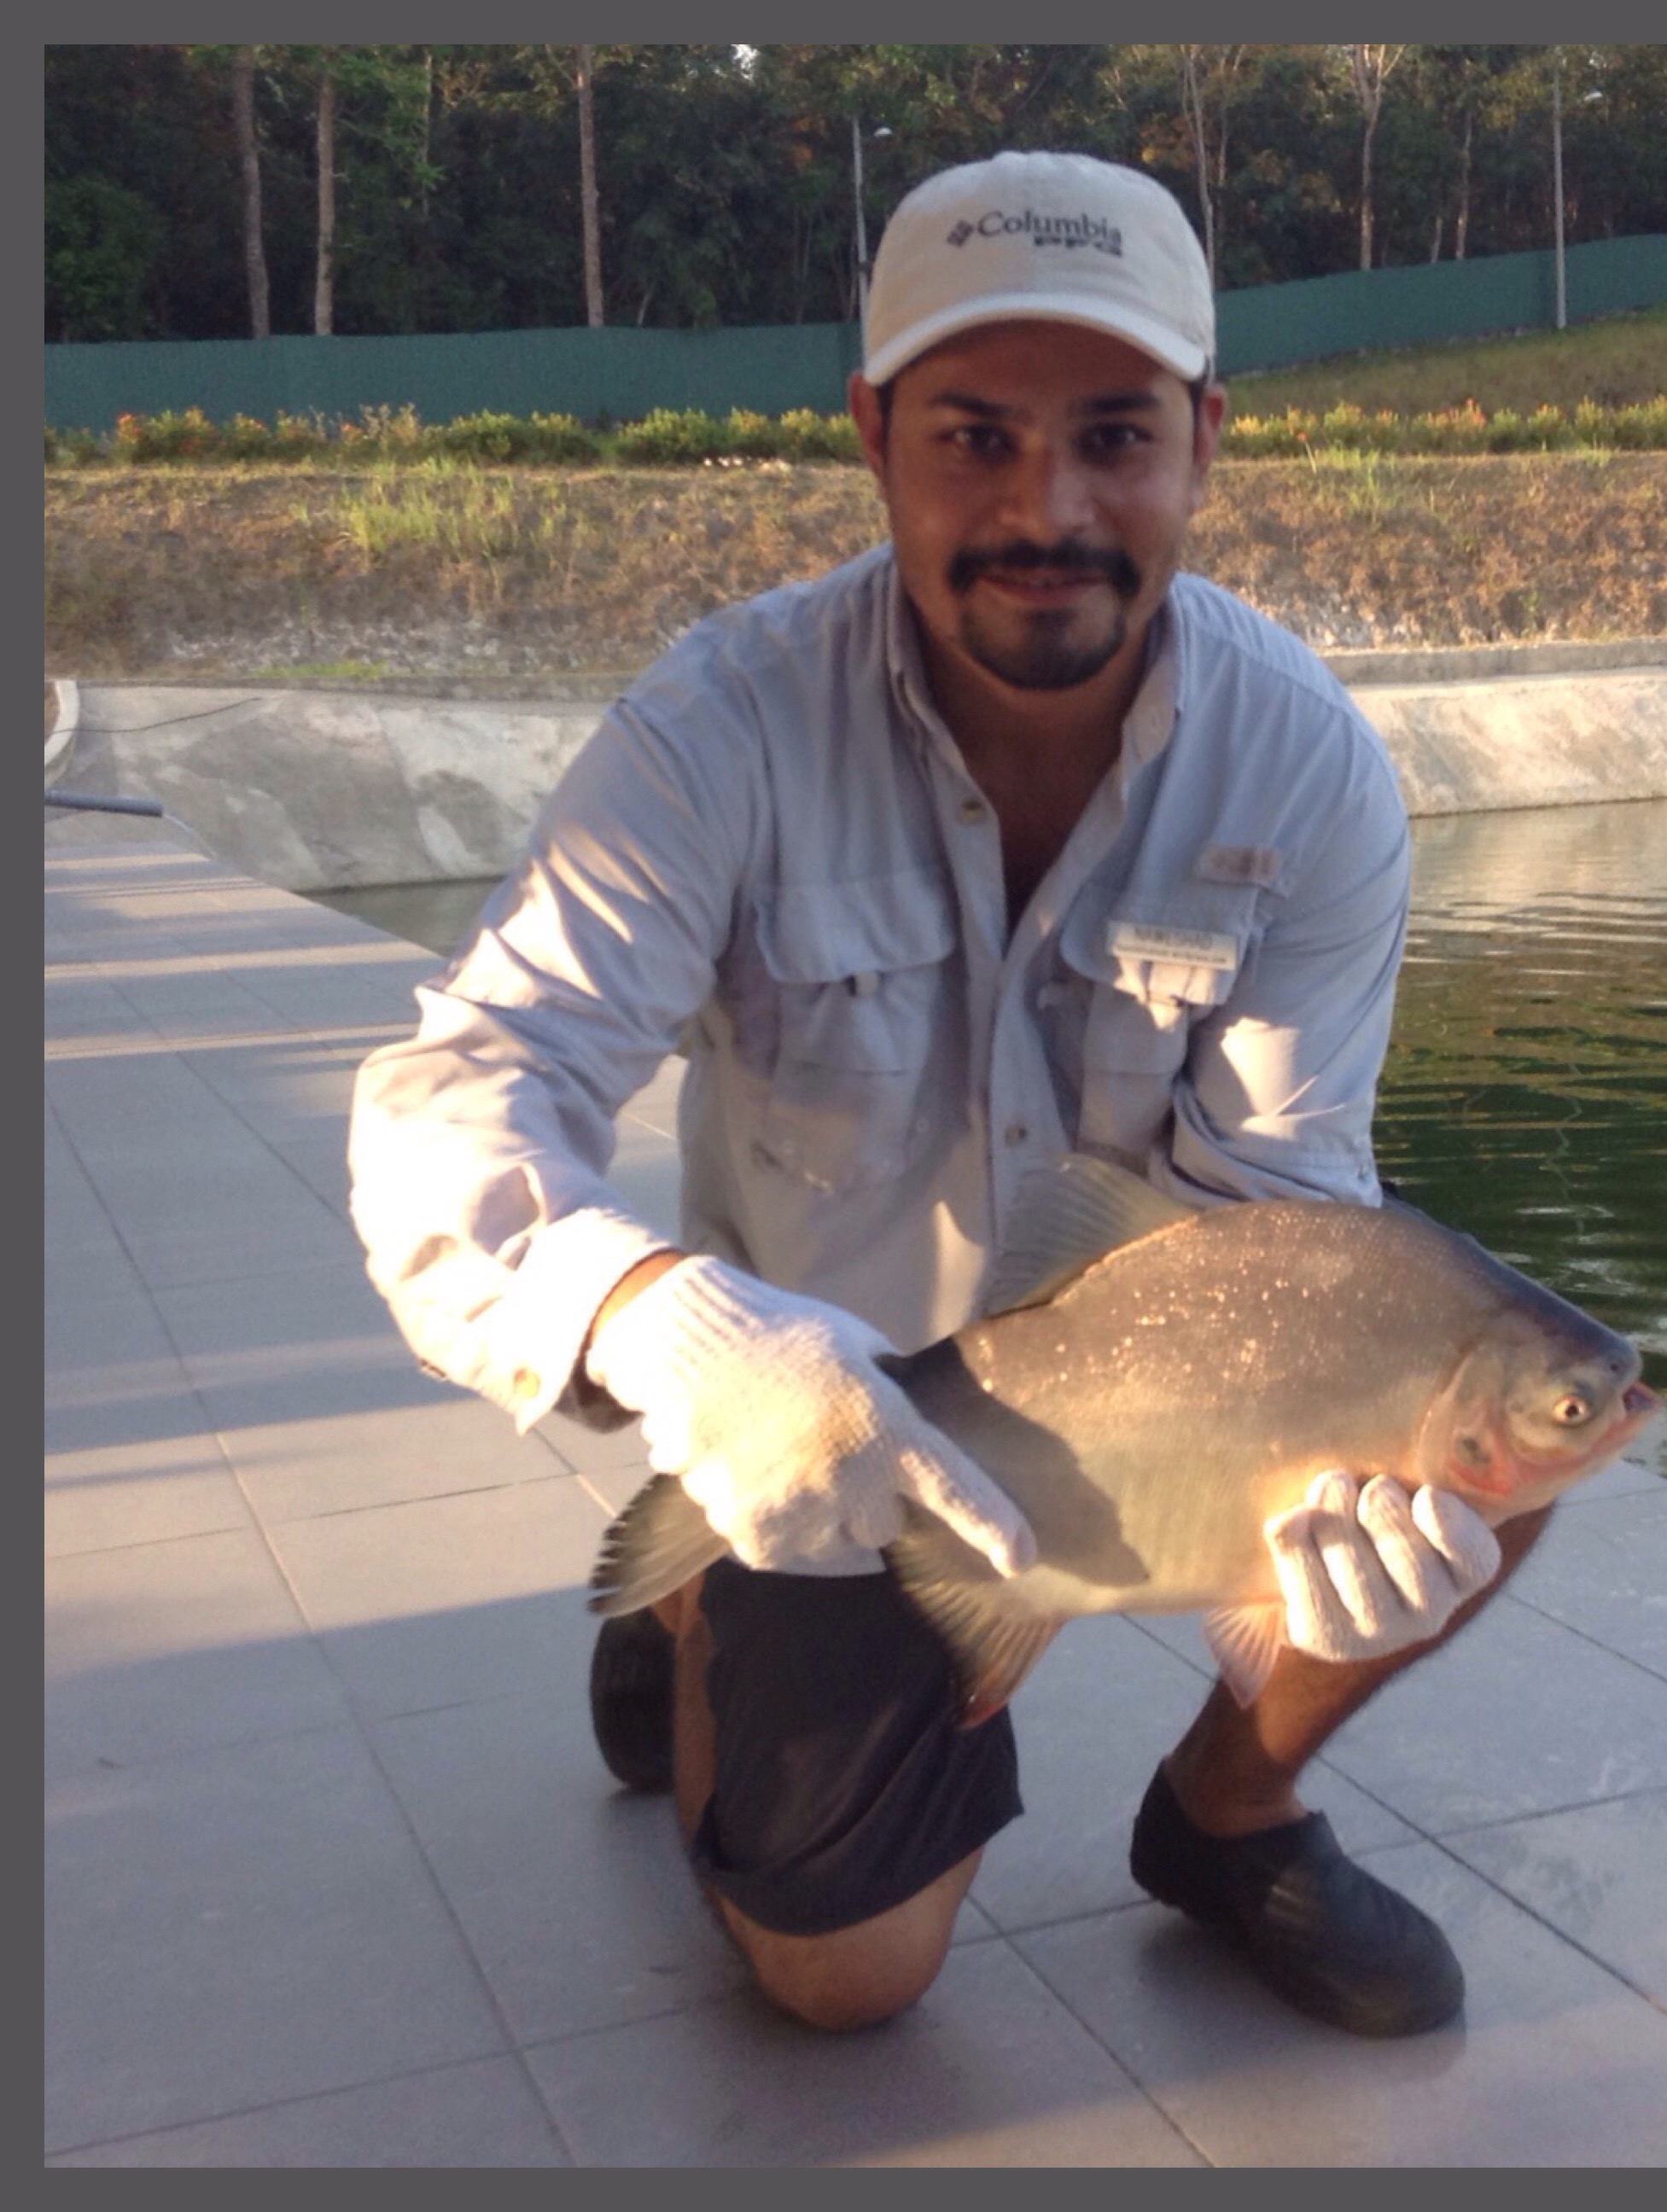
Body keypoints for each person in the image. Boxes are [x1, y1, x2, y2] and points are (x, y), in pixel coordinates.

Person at [349, 150, 1553, 2042]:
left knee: (1506, 1406)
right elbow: (463, 1086)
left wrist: (1328, 1447)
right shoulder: (718, 731)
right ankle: (701, 1589)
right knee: (845, 1981)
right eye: (975, 437)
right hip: (823, 1397)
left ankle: (1228, 1813)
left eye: (1114, 437)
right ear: (874, 438)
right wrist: (662, 1325)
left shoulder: (1306, 768)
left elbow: (1281, 1204)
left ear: (1204, 441)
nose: (1045, 509)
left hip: (1136, 1361)